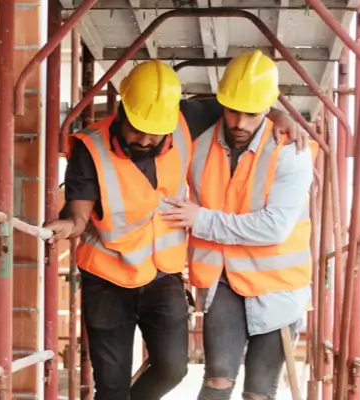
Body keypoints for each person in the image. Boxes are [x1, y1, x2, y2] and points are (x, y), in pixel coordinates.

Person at [43, 59, 308, 400]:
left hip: (163, 273)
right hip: (108, 279)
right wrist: (71, 224)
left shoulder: (188, 120)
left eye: (155, 130)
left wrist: (281, 117)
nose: (146, 138)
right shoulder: (91, 147)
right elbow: (79, 211)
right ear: (124, 110)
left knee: (173, 369)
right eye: (137, 127)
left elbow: (246, 107)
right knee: (112, 385)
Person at [160, 49, 318, 400]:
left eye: (253, 113)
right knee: (217, 381)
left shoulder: (291, 151)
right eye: (233, 110)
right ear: (220, 103)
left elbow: (273, 228)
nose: (241, 123)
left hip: (277, 288)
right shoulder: (196, 137)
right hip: (221, 279)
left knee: (259, 392)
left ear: (268, 107)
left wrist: (200, 219)